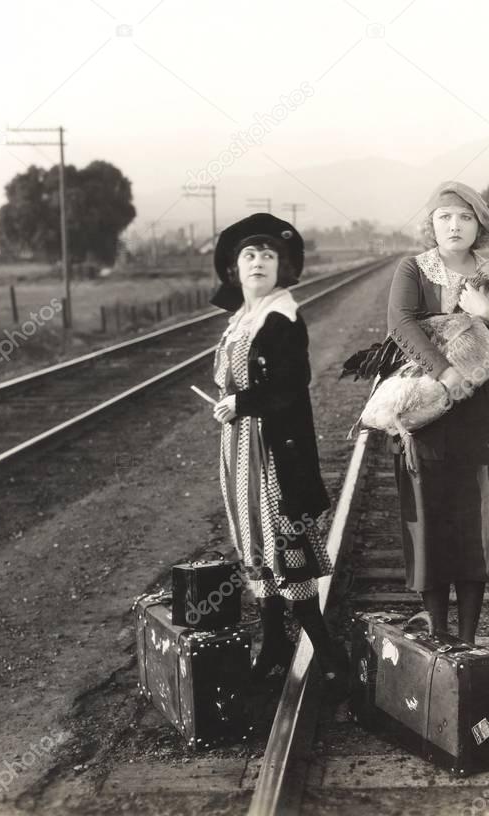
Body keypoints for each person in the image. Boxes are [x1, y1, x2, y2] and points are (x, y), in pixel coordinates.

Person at [208, 212, 347, 689]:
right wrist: (232, 407)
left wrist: (241, 402)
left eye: (270, 256)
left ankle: (330, 655)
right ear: (234, 269)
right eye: (250, 255)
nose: (259, 262)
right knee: (253, 547)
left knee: (285, 548)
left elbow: (291, 385)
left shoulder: (282, 317)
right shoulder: (239, 320)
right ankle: (273, 642)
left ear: (283, 268)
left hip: (273, 454)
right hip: (238, 450)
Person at [385, 181, 489, 643]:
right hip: (429, 414)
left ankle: (467, 638)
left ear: (479, 226)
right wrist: (444, 372)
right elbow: (401, 325)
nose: (454, 225)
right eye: (445, 217)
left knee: (476, 523)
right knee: (433, 519)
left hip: (480, 416)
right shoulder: (415, 270)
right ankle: (438, 633)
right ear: (431, 224)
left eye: (465, 218)